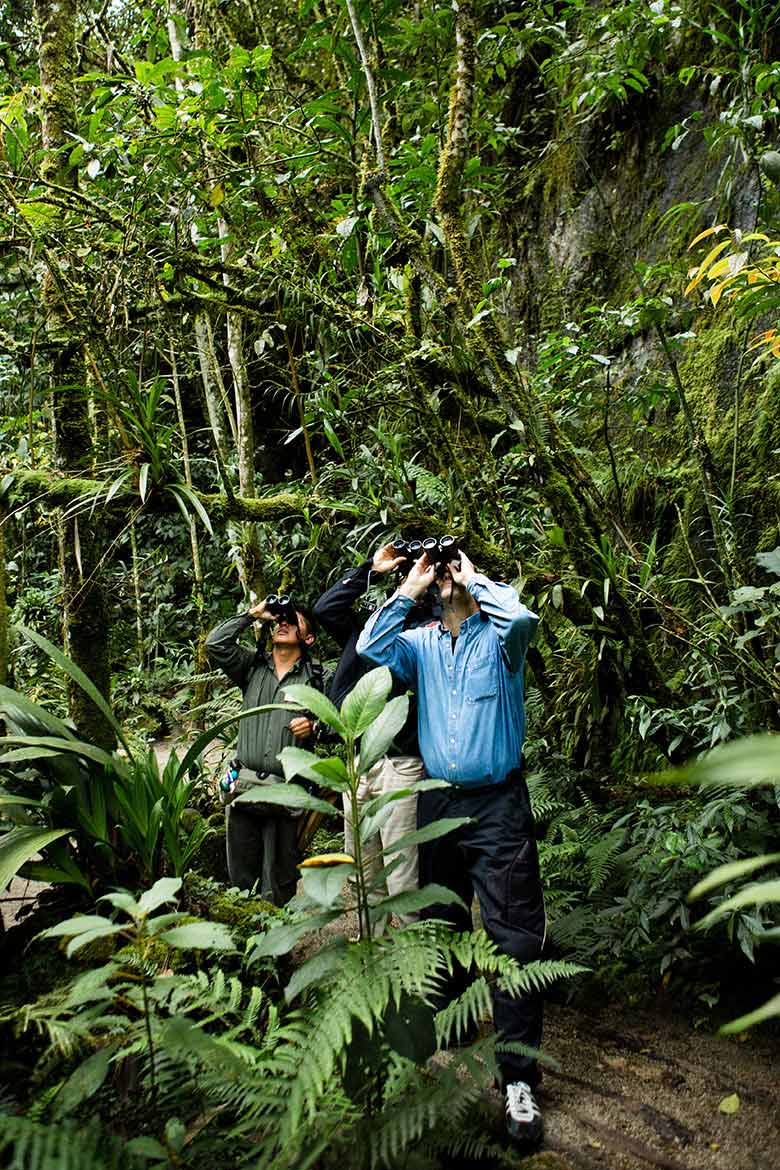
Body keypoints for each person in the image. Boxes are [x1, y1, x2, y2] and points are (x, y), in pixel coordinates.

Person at [356, 548, 546, 1146]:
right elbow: (370, 653)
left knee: (512, 936)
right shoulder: (420, 644)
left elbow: (521, 621)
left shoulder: (500, 641)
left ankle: (519, 1081)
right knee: (439, 928)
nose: (446, 578)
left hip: (498, 804)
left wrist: (475, 579)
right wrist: (409, 587)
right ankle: (439, 1051)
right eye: (442, 572)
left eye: (449, 570)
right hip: (439, 801)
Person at [313, 542, 433, 932]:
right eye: (408, 570)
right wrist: (373, 569)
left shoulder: (431, 632)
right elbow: (324, 609)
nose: (412, 575)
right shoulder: (369, 625)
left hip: (402, 761)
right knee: (362, 870)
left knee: (403, 876)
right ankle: (374, 952)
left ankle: (416, 966)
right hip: (359, 759)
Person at [205, 599, 324, 905]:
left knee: (279, 877)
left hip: (286, 792)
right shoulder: (252, 667)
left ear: (308, 638)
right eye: (280, 620)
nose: (283, 623)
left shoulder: (317, 678)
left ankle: (277, 945)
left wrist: (315, 725)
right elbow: (215, 644)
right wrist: (252, 615)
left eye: (293, 621)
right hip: (243, 787)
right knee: (241, 874)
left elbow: (339, 722)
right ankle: (247, 936)